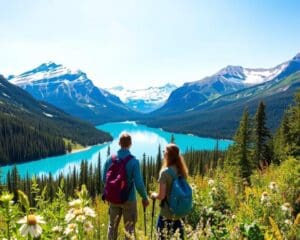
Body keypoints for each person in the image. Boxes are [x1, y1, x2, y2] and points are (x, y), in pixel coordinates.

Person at [102, 132, 149, 240]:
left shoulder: (110, 159)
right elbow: (139, 184)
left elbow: (104, 179)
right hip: (129, 200)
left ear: (119, 143)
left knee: (112, 227)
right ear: (130, 144)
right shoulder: (134, 161)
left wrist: (113, 190)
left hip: (113, 200)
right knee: (129, 230)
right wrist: (145, 198)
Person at [151, 143, 189, 240]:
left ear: (168, 155)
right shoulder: (182, 170)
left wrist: (154, 195)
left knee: (161, 237)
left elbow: (162, 196)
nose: (163, 153)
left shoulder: (165, 173)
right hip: (180, 213)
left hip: (167, 213)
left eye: (164, 152)